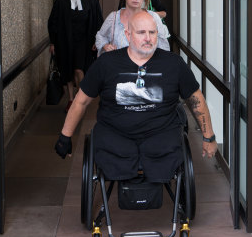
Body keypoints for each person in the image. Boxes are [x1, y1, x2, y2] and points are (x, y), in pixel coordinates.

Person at [55, 11, 217, 183]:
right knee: (110, 151)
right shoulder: (107, 63)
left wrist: (209, 137)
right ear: (128, 34)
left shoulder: (173, 63)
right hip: (116, 135)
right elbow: (81, 101)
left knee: (167, 152)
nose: (148, 38)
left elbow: (195, 99)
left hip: (161, 135)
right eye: (141, 33)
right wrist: (65, 136)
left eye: (152, 32)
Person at [48, 0, 103, 112]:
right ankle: (71, 100)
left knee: (79, 69)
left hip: (84, 42)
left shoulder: (90, 1)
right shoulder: (61, 1)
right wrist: (53, 42)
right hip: (65, 42)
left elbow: (98, 23)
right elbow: (52, 22)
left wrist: (96, 41)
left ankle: (81, 97)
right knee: (67, 70)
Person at [96, 0, 170, 55]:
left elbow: (164, 48)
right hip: (119, 66)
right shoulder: (113, 18)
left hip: (148, 66)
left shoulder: (153, 17)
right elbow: (100, 36)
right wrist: (105, 45)